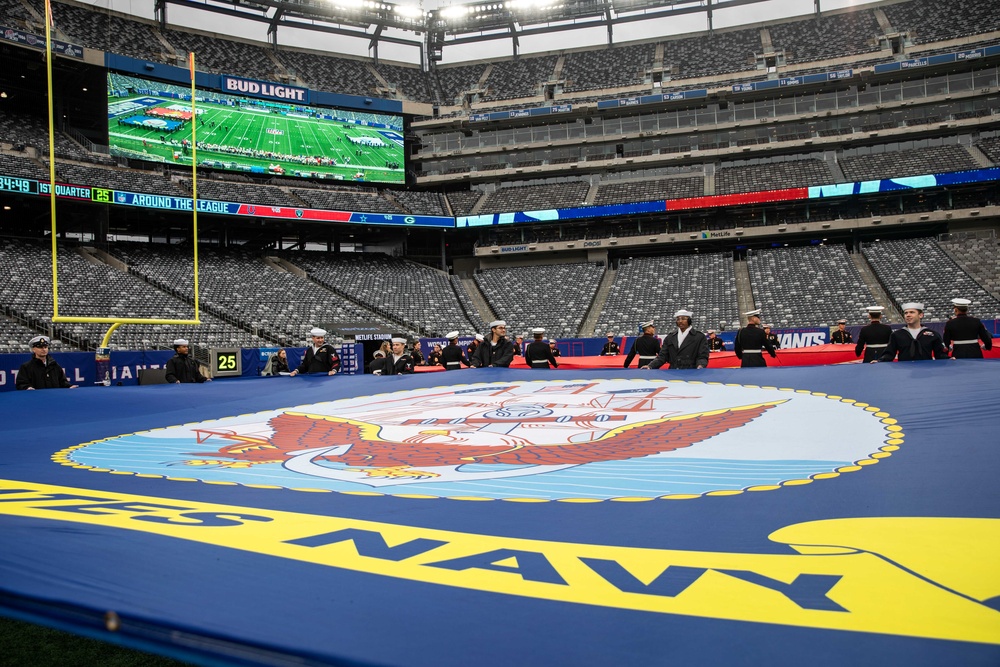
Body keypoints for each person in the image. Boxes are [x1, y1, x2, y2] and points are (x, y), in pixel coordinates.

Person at [878, 303, 948, 362]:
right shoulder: (897, 335)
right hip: (904, 371)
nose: (908, 315)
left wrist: (949, 359)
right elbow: (889, 354)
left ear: (921, 315)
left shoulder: (932, 334)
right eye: (906, 313)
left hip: (926, 370)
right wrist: (880, 361)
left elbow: (940, 354)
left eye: (912, 312)